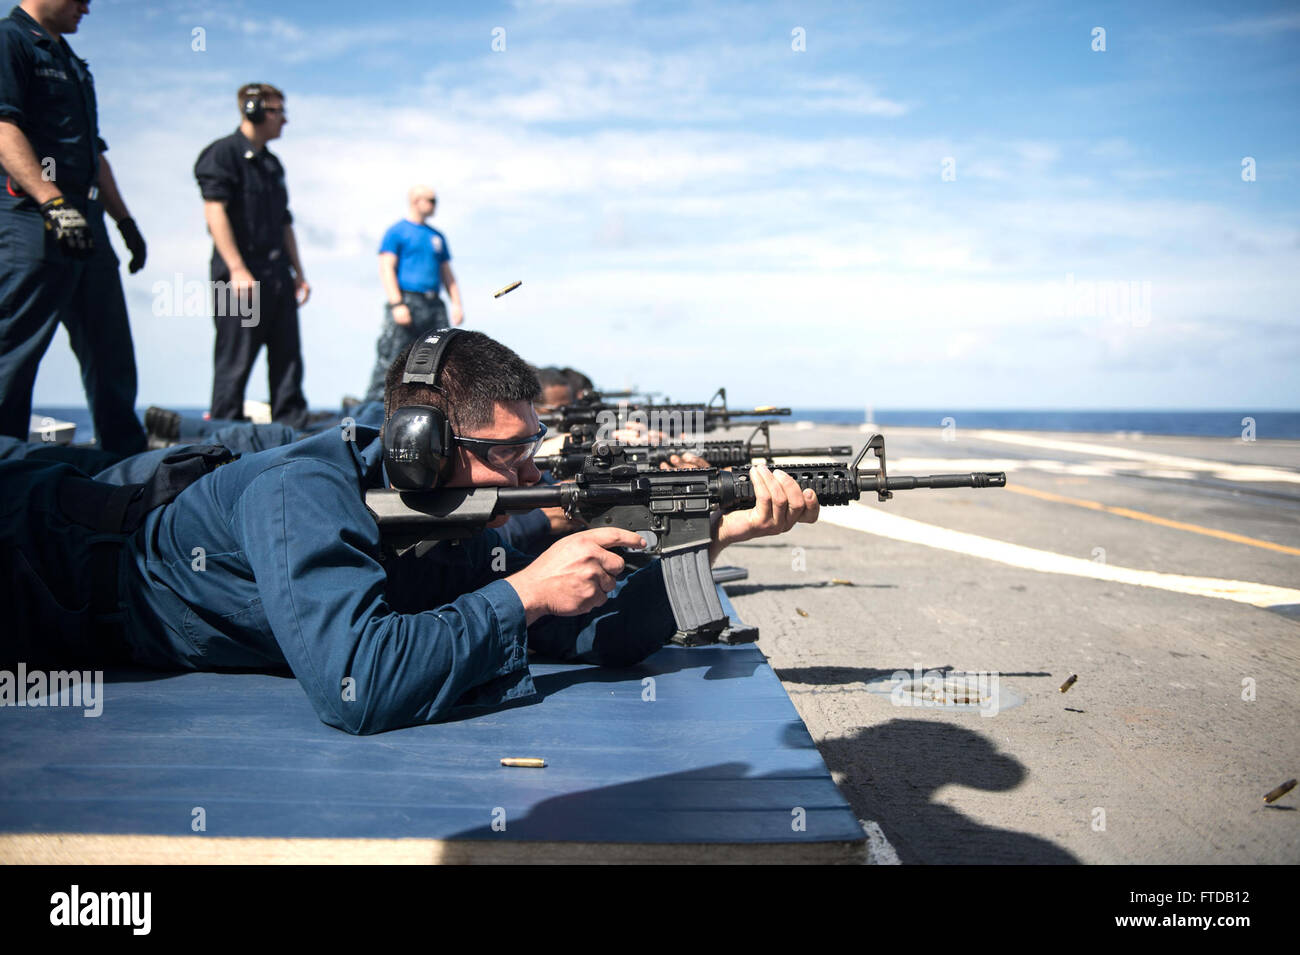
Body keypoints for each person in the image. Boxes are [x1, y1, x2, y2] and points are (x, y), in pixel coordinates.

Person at [1, 330, 819, 734]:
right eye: (507, 452)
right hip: (32, 562)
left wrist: (714, 536)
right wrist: (522, 591)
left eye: (530, 444)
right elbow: (359, 685)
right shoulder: (306, 493)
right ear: (420, 448)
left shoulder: (442, 517)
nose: (531, 472)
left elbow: (596, 634)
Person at [0, 0, 147, 455]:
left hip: (87, 219)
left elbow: (95, 153)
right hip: (32, 216)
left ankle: (128, 472)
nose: (88, 5)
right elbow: (4, 127)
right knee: (15, 350)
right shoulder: (11, 40)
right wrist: (53, 203)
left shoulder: (72, 62)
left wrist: (124, 220)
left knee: (111, 354)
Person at [194, 82, 310, 430]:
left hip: (277, 277)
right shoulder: (222, 154)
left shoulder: (273, 165)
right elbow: (214, 213)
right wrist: (237, 269)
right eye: (278, 111)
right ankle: (222, 440)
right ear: (254, 110)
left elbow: (285, 222)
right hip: (239, 278)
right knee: (234, 361)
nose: (284, 120)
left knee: (288, 360)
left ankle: (294, 433)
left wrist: (299, 273)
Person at [363, 185, 463, 403]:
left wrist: (456, 303)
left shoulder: (437, 237)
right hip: (408, 300)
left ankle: (435, 405)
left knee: (443, 356)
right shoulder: (397, 232)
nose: (435, 205)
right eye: (431, 200)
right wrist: (397, 303)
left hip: (434, 304)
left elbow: (447, 273)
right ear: (416, 201)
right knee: (392, 358)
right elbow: (386, 267)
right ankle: (373, 411)